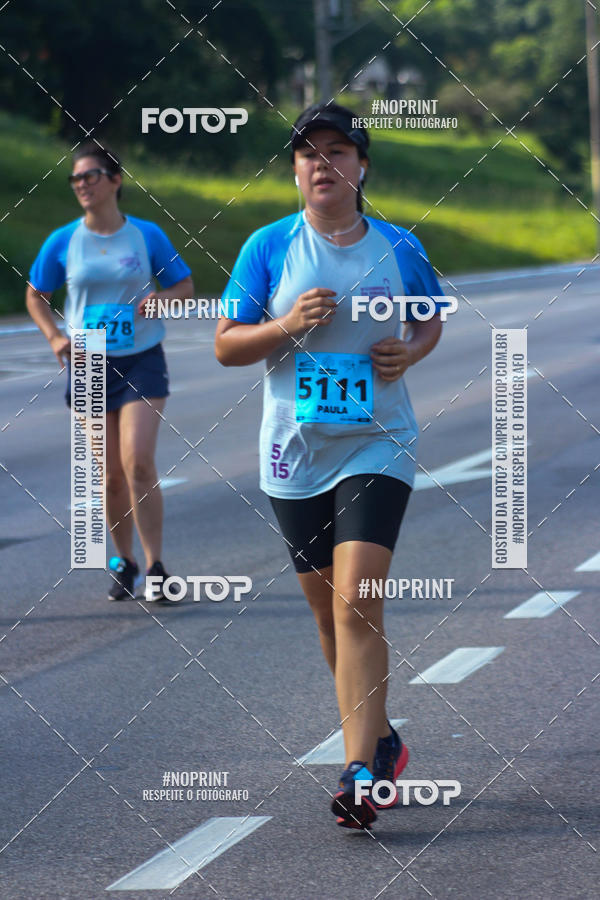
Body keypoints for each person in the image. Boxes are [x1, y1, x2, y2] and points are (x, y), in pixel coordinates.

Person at [215, 102, 444, 828]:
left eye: (337, 151)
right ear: (294, 171)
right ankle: (380, 739)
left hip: (379, 441)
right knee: (327, 613)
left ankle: (356, 773)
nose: (323, 164)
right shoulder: (269, 247)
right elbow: (225, 344)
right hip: (295, 451)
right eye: (309, 154)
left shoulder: (399, 246)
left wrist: (409, 352)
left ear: (361, 167)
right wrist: (285, 325)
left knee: (357, 601)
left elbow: (430, 317)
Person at [26, 142, 194, 603]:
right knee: (110, 475)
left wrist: (163, 299)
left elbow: (184, 284)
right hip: (89, 360)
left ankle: (156, 565)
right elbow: (36, 295)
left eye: (91, 176)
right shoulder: (63, 241)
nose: (81, 184)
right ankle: (125, 562)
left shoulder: (146, 235)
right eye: (75, 178)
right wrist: (54, 336)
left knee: (138, 461)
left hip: (141, 357)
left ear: (115, 180)